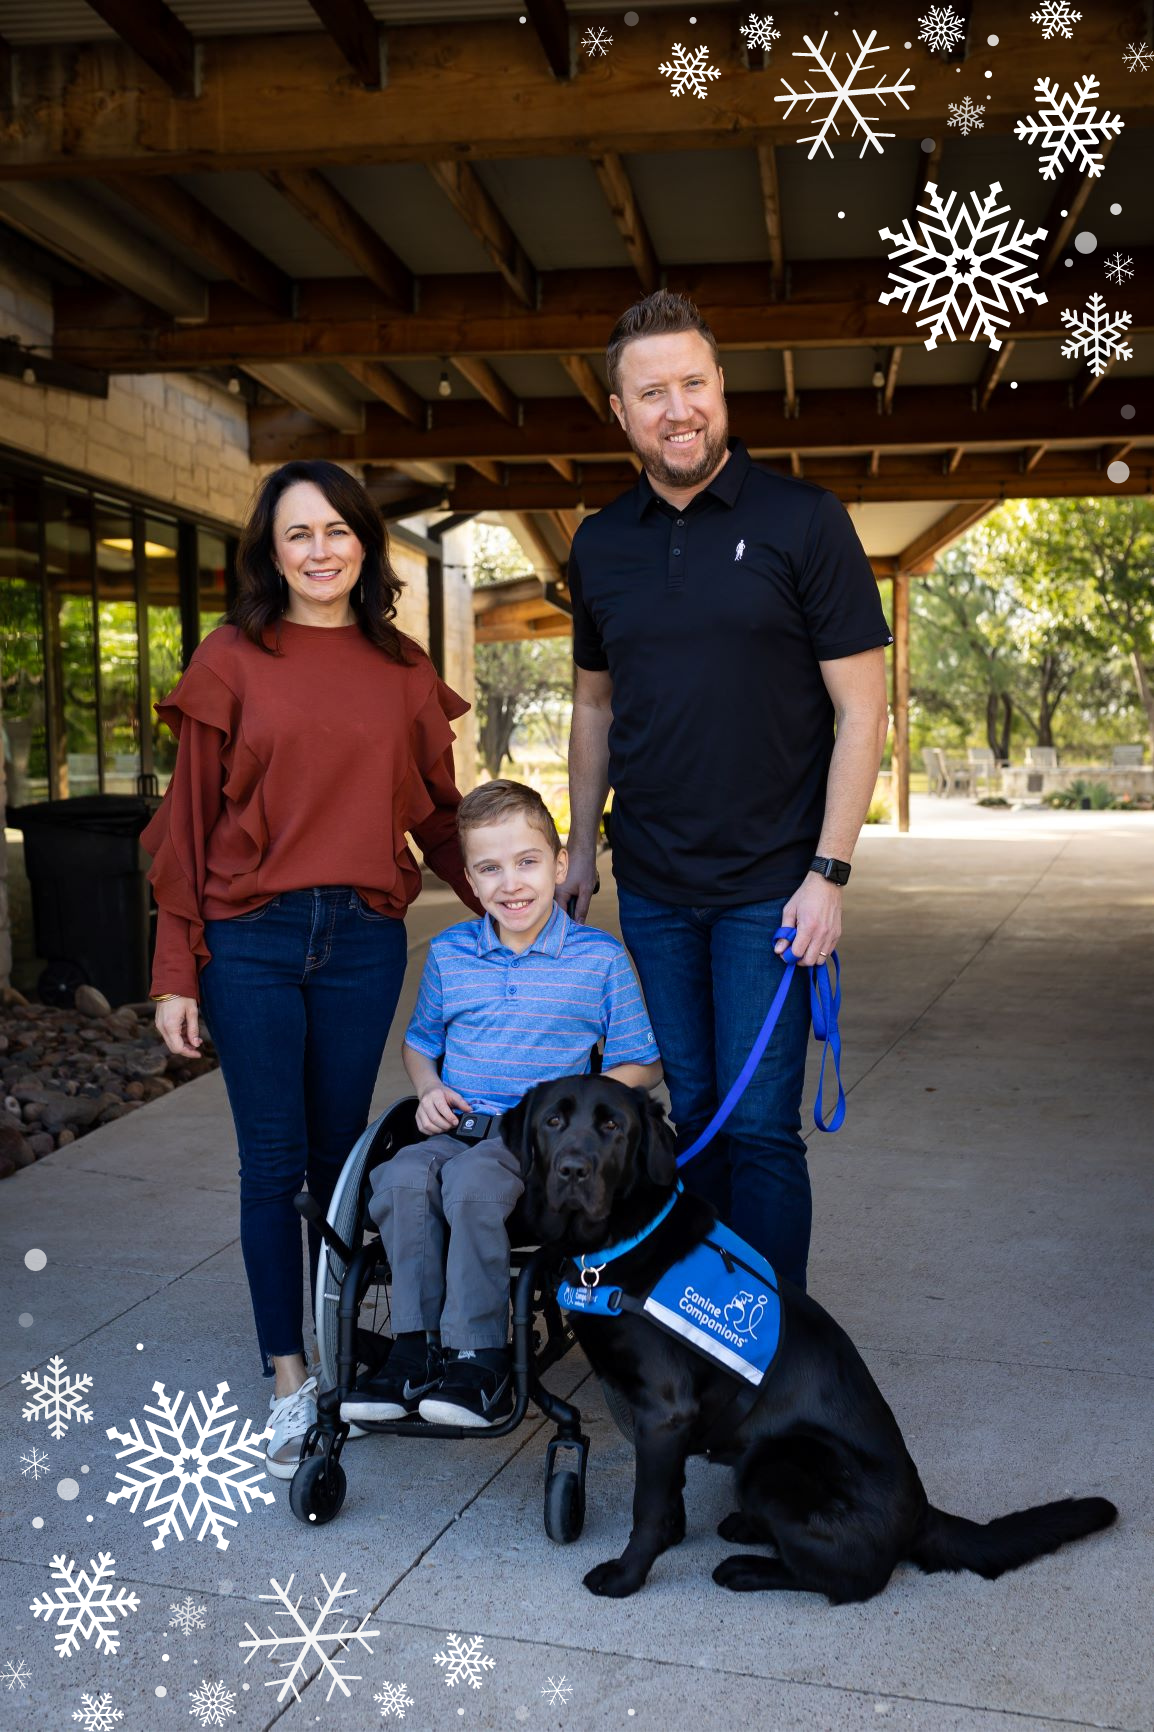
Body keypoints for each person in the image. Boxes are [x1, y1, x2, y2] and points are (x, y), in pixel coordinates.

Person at [146, 459, 482, 1477]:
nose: (321, 549)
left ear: (366, 545)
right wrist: (175, 968)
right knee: (272, 1161)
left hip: (361, 939)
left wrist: (514, 907)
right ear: (272, 551)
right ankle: (288, 1376)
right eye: (299, 533)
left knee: (343, 1157)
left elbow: (438, 811)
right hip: (249, 937)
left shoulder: (402, 668)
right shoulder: (230, 659)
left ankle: (338, 1351)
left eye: (338, 529)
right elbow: (185, 824)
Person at [558, 290, 891, 1291]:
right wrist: (579, 849)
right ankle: (702, 1327)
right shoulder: (599, 542)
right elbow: (593, 708)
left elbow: (862, 711)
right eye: (651, 392)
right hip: (654, 884)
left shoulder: (804, 520)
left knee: (759, 1128)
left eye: (692, 383)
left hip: (770, 886)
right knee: (691, 1117)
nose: (678, 410)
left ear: (720, 388)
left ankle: (770, 1347)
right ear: (620, 411)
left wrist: (829, 872)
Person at [345, 779, 660, 1429]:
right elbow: (420, 1043)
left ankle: (479, 1355)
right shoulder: (451, 953)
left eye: (527, 862)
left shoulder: (597, 959)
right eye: (490, 868)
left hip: (538, 1146)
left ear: (560, 864)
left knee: (473, 1180)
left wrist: (572, 1113)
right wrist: (429, 1089)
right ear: (468, 878)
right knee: (400, 1176)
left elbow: (644, 1062)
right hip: (456, 1125)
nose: (511, 884)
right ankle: (413, 1350)